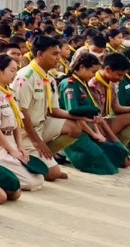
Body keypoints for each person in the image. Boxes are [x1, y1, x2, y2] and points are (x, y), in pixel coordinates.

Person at [11, 35, 83, 181]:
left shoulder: (48, 77)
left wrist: (80, 117)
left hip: (41, 126)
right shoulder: (25, 77)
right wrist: (37, 141)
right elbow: (22, 113)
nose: (59, 58)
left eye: (59, 53)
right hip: (24, 133)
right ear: (40, 54)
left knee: (74, 127)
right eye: (54, 54)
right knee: (53, 174)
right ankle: (27, 158)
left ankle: (46, 157)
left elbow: (53, 110)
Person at [0, 55, 45, 191]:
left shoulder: (8, 92)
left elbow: (16, 122)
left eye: (16, 70)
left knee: (39, 178)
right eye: (12, 70)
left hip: (10, 140)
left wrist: (20, 147)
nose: (15, 74)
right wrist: (12, 151)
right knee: (30, 183)